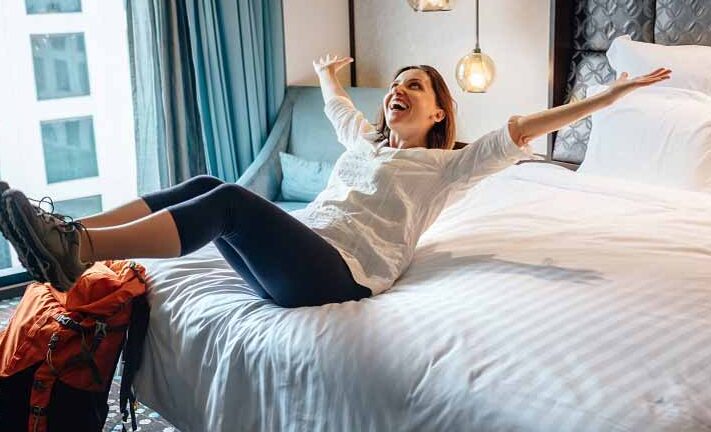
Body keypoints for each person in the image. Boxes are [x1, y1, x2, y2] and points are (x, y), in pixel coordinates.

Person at [0, 54, 670, 307]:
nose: (398, 91)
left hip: (339, 274)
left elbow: (521, 129)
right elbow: (339, 108)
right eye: (397, 85)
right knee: (206, 180)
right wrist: (326, 73)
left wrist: (607, 97)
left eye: (415, 86)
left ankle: (78, 249)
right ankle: (67, 233)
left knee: (229, 200)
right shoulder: (367, 144)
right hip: (296, 259)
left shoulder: (448, 166)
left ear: (440, 112)